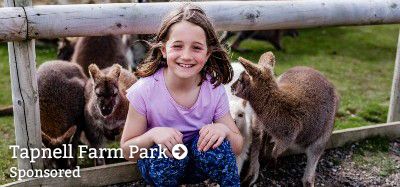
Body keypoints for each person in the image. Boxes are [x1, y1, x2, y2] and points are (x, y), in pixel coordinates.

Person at [120, 3, 243, 187]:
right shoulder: (144, 90)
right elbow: (127, 151)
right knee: (167, 154)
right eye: (177, 46)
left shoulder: (213, 87)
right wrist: (153, 134)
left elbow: (238, 146)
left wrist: (223, 130)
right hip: (162, 167)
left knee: (216, 147)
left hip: (196, 166)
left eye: (196, 48)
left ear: (208, 53)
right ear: (163, 50)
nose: (186, 56)